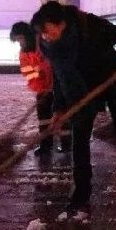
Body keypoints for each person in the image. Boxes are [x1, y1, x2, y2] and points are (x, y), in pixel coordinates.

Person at [30, 1, 116, 212]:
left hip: (111, 79)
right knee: (80, 138)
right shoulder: (50, 46)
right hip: (81, 90)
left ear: (61, 23)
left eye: (47, 30)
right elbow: (60, 78)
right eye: (41, 33)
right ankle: (81, 193)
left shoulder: (87, 24)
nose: (45, 36)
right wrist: (59, 109)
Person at [10, 22, 71, 155]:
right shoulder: (24, 54)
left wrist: (54, 84)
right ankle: (45, 145)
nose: (20, 43)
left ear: (28, 36)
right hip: (43, 89)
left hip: (60, 87)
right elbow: (29, 74)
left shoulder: (45, 44)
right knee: (44, 118)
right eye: (17, 40)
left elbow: (56, 66)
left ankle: (67, 144)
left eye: (21, 39)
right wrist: (42, 88)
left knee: (62, 115)